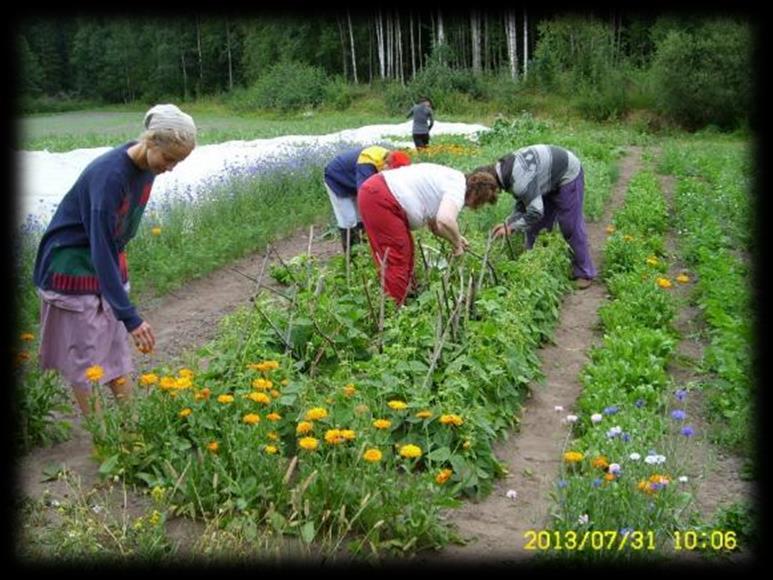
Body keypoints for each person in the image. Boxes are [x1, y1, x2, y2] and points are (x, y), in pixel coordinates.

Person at [32, 104, 197, 415]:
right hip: (71, 266)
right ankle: (104, 441)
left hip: (104, 258)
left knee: (116, 353)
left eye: (179, 161)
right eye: (170, 158)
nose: (172, 167)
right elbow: (100, 245)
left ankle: (130, 430)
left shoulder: (148, 168)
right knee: (87, 360)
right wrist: (130, 316)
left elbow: (113, 239)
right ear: (151, 141)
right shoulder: (109, 176)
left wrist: (122, 301)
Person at [357, 163, 499, 305]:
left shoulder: (452, 180)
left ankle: (406, 297)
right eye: (481, 202)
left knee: (406, 250)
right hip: (381, 197)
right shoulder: (457, 188)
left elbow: (436, 226)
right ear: (477, 194)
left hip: (378, 193)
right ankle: (396, 311)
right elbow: (445, 220)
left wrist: (456, 238)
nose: (475, 207)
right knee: (397, 256)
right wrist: (457, 246)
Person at [474, 145, 596, 289]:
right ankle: (540, 268)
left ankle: (584, 272)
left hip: (567, 173)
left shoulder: (518, 178)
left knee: (570, 225)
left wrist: (511, 227)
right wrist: (508, 223)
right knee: (535, 228)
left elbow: (535, 211)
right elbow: (524, 202)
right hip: (547, 179)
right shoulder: (505, 170)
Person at [323, 145, 412, 254]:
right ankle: (351, 256)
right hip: (336, 178)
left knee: (362, 218)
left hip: (352, 179)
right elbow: (365, 193)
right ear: (387, 165)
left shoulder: (384, 159)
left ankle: (364, 252)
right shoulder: (367, 162)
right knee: (348, 219)